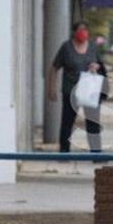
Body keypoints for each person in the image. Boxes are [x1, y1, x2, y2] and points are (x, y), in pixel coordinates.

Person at [47, 21, 104, 154]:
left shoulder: (92, 47)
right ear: (74, 32)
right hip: (70, 91)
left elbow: (101, 65)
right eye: (80, 29)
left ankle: (96, 153)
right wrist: (51, 89)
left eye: (85, 29)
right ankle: (64, 151)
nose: (83, 32)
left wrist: (96, 67)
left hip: (89, 91)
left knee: (93, 122)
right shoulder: (66, 47)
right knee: (67, 122)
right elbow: (54, 68)